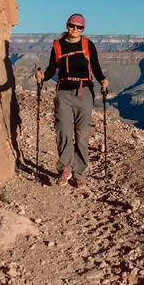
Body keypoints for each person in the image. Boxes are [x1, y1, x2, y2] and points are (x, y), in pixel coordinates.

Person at [35, 13, 109, 188]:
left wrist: (103, 80)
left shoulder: (87, 44)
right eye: (72, 26)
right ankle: (64, 170)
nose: (75, 29)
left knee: (82, 135)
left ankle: (79, 173)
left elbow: (96, 67)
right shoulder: (58, 45)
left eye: (79, 27)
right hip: (64, 93)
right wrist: (42, 77)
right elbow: (52, 68)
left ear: (83, 29)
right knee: (63, 132)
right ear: (67, 25)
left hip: (84, 92)